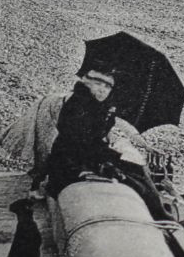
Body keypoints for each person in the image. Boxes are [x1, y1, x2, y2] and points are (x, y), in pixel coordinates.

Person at [41, 68, 168, 219]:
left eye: (107, 86)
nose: (102, 89)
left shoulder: (101, 107)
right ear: (88, 84)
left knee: (138, 169)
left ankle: (159, 212)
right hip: (71, 159)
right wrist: (101, 162)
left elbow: (120, 125)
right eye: (98, 84)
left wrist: (145, 145)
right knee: (131, 180)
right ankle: (159, 214)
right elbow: (77, 141)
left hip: (92, 154)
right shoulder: (77, 105)